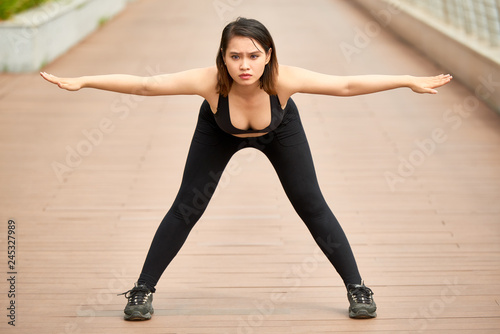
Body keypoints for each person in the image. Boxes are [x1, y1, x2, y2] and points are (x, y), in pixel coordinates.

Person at [41, 17, 452, 321]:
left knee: (311, 204)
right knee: (187, 207)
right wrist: (83, 81)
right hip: (218, 131)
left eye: (253, 55)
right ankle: (142, 290)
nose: (244, 65)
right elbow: (146, 85)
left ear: (268, 55)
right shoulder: (210, 82)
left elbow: (345, 85)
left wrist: (406, 79)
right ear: (223, 56)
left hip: (280, 131)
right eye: (235, 55)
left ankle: (358, 289)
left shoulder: (283, 80)